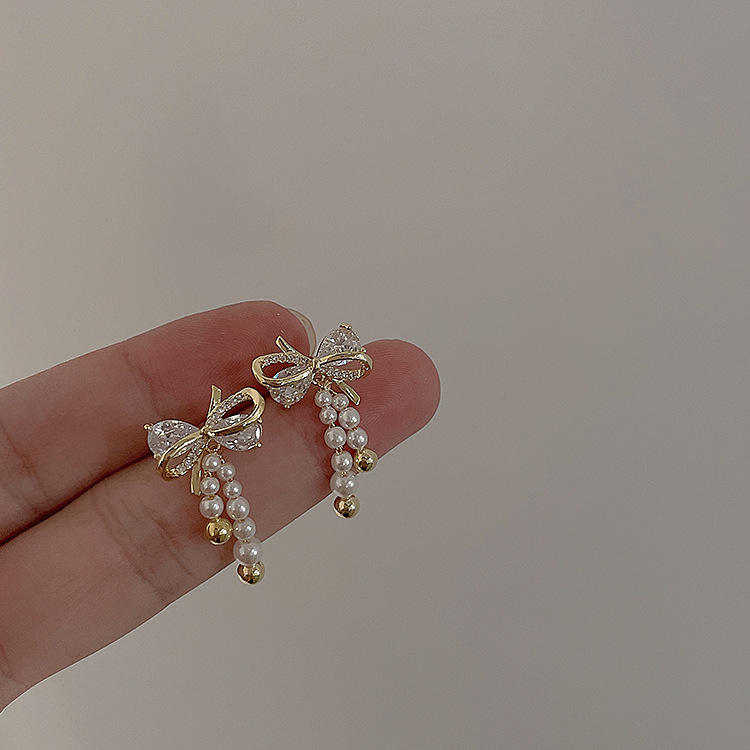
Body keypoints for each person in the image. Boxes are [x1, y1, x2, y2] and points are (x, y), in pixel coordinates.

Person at [0, 301, 440, 709]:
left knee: (258, 470)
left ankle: (333, 478)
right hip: (212, 450)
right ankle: (299, 504)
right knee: (228, 488)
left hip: (231, 439)